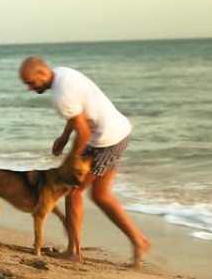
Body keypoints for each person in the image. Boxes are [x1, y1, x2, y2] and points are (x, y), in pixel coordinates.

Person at [18, 56, 151, 267]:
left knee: (72, 191)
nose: (29, 88)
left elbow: (83, 130)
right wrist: (63, 137)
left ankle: (74, 252)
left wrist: (71, 162)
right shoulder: (62, 73)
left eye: (31, 82)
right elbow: (77, 116)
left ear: (43, 73)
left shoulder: (61, 96)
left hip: (105, 139)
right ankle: (139, 241)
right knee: (100, 195)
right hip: (118, 131)